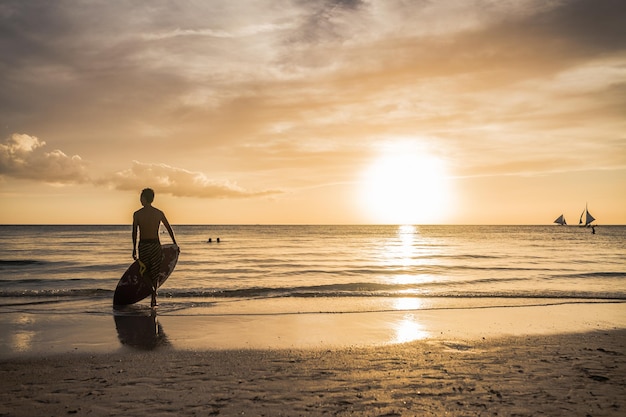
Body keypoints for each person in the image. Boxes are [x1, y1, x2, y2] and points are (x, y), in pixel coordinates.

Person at [132, 188, 177, 308]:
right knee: (155, 273)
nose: (140, 200)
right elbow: (169, 228)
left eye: (141, 197)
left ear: (145, 198)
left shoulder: (137, 214)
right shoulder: (159, 213)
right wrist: (174, 243)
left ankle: (152, 290)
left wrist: (134, 249)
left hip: (144, 246)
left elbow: (134, 233)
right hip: (156, 245)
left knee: (144, 272)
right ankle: (154, 299)